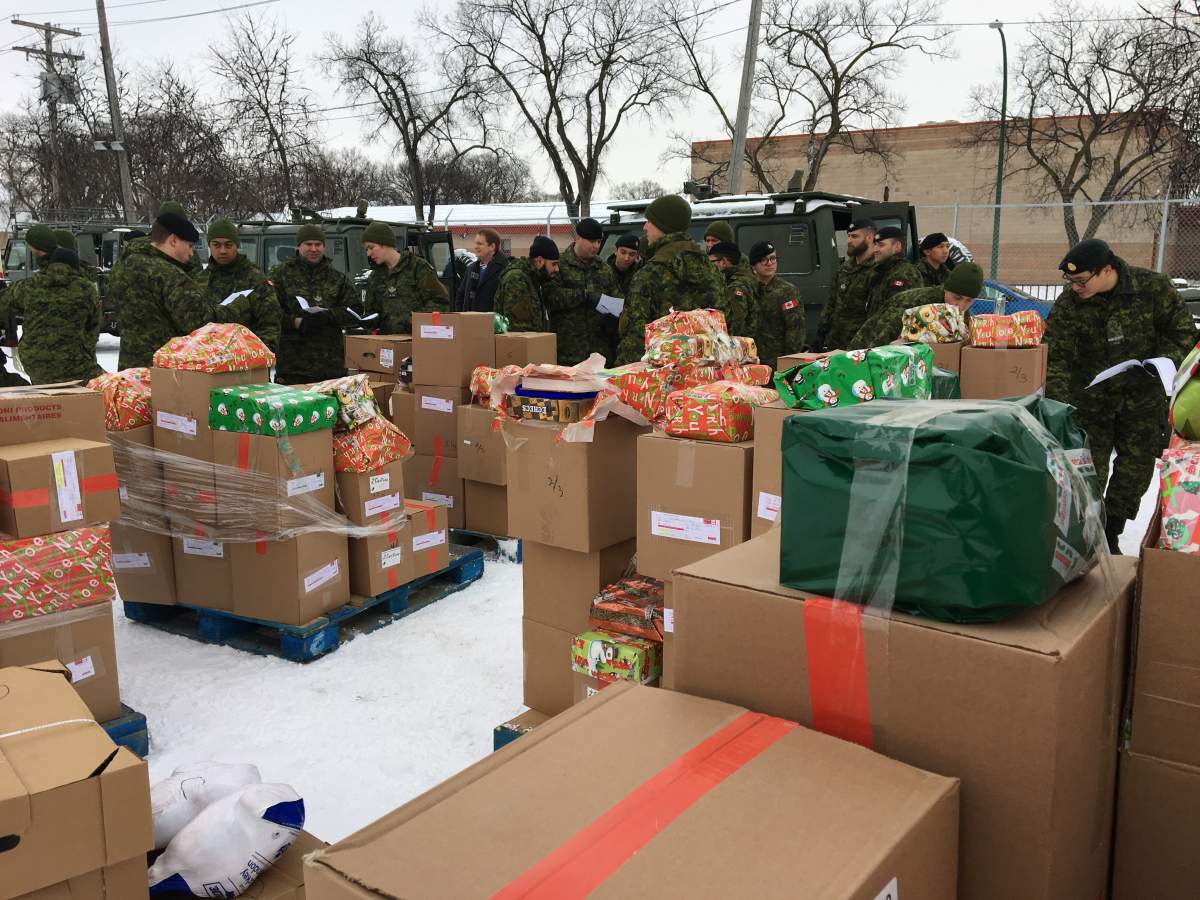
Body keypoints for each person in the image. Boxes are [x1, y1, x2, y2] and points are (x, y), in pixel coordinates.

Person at [1044, 238, 1197, 552]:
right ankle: (1090, 534)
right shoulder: (1069, 303)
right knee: (1087, 471)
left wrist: (1161, 363)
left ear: (1106, 269)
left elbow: (1183, 334)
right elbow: (1055, 355)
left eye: (1081, 280)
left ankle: (1112, 532)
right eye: (1070, 281)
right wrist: (1059, 401)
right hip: (1090, 402)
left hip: (1142, 400)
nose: (1075, 287)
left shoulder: (1152, 289)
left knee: (1134, 470)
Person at [616, 195, 726, 365]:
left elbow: (636, 339)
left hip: (658, 379)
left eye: (649, 221)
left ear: (662, 225)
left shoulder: (650, 273)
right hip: (704, 377)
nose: (645, 227)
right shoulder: (712, 270)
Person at [108, 212, 218, 369]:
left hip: (130, 367)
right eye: (189, 246)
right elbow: (200, 323)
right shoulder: (169, 274)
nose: (191, 253)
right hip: (164, 369)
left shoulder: (124, 265)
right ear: (173, 240)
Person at [269, 223, 362, 384]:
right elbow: (268, 312)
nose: (313, 249)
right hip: (293, 368)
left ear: (324, 247)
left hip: (331, 368)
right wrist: (296, 322)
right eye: (308, 244)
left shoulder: (337, 279)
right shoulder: (280, 275)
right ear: (299, 246)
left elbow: (355, 311)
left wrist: (327, 316)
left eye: (318, 244)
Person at [0, 237, 102, 384]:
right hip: (77, 364)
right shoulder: (87, 290)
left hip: (35, 363)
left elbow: (3, 303)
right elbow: (93, 328)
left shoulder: (30, 285)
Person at [850, 262, 984, 348]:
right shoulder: (914, 302)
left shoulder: (961, 314)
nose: (961, 306)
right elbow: (880, 338)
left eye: (969, 301)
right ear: (946, 288)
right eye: (957, 298)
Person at [544, 217, 621, 365]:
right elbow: (551, 297)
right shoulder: (560, 265)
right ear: (578, 238)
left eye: (599, 242)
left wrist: (615, 318)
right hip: (568, 352)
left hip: (599, 352)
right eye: (592, 241)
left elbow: (617, 299)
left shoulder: (604, 268)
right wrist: (583, 295)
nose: (596, 246)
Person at [199, 219, 281, 353]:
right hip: (206, 359)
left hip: (246, 360)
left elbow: (270, 324)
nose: (223, 250)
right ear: (210, 246)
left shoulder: (255, 279)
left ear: (237, 245)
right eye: (217, 245)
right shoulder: (201, 280)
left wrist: (259, 355)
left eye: (228, 245)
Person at [360, 220, 448, 333]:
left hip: (416, 341)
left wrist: (414, 319)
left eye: (371, 248)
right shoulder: (375, 277)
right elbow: (371, 312)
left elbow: (441, 302)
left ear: (384, 243)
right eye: (366, 249)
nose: (368, 254)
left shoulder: (417, 267)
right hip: (388, 344)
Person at [816, 218, 876, 351]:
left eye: (855, 236)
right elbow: (832, 302)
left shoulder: (878, 269)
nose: (849, 241)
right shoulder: (845, 268)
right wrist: (822, 331)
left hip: (861, 344)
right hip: (836, 342)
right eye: (848, 236)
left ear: (869, 238)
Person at [747, 241, 805, 368]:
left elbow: (795, 329)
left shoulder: (786, 291)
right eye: (764, 260)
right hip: (752, 361)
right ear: (753, 266)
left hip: (778, 361)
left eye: (773, 259)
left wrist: (788, 361)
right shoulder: (748, 289)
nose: (770, 263)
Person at [496, 236, 560, 332]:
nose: (557, 269)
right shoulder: (517, 279)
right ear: (539, 260)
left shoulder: (532, 278)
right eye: (554, 264)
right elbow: (517, 330)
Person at [863, 226, 922, 326]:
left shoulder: (905, 273)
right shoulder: (880, 271)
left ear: (897, 246)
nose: (875, 250)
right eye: (875, 245)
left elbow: (897, 318)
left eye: (881, 245)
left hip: (889, 339)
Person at [707, 240, 754, 336]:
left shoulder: (735, 286)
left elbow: (735, 325)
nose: (709, 267)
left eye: (711, 262)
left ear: (723, 262)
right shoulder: (748, 278)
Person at [456, 228, 508, 312]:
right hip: (470, 321)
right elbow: (460, 295)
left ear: (492, 246)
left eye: (480, 244)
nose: (475, 247)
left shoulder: (505, 269)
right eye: (475, 243)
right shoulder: (471, 268)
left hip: (493, 323)